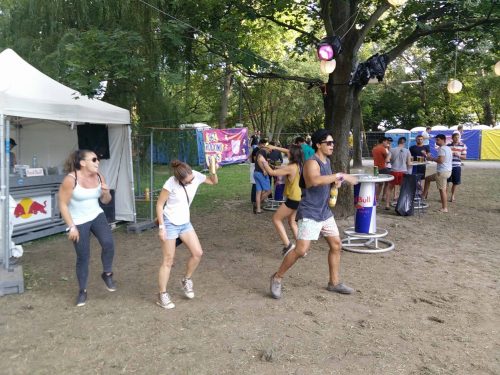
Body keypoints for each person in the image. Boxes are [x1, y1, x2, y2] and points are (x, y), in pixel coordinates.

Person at [269, 129, 359, 299]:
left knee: (336, 245)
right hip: (310, 211)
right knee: (301, 250)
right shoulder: (312, 162)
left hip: (324, 212)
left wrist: (334, 186)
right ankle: (277, 277)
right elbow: (314, 180)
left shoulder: (327, 162)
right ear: (318, 144)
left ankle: (334, 283)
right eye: (329, 143)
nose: (332, 146)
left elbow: (324, 183)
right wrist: (340, 175)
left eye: (333, 143)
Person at [156, 160, 218, 309]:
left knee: (198, 253)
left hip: (185, 223)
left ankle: (186, 280)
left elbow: (212, 181)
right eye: (187, 182)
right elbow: (159, 204)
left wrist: (213, 170)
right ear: (179, 180)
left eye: (191, 180)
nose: (191, 182)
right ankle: (162, 294)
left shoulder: (195, 175)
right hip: (170, 223)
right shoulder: (170, 183)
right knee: (168, 260)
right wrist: (161, 227)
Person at [59, 150, 115, 307]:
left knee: (108, 244)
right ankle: (82, 291)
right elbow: (63, 204)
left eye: (98, 159)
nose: (98, 162)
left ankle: (107, 274)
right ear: (82, 163)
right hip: (78, 220)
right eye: (94, 159)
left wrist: (106, 192)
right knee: (83, 256)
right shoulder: (71, 180)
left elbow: (105, 201)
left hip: (96, 214)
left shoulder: (99, 176)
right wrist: (71, 227)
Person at [258, 144, 304, 256]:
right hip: (300, 198)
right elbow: (287, 151)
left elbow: (272, 173)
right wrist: (275, 147)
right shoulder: (299, 164)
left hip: (293, 199)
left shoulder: (291, 167)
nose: (286, 153)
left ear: (292, 155)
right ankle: (302, 249)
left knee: (276, 219)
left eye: (288, 153)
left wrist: (263, 161)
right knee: (292, 222)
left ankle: (288, 245)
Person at [422, 134, 453, 213]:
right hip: (447, 171)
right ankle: (423, 196)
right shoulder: (448, 148)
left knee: (442, 190)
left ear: (443, 140)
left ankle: (444, 208)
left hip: (442, 172)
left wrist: (431, 159)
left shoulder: (442, 149)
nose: (436, 141)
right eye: (436, 140)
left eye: (438, 140)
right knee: (427, 179)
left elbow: (441, 160)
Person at [385, 137, 412, 210]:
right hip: (403, 171)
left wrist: (390, 163)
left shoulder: (392, 150)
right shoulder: (407, 151)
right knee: (402, 189)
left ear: (398, 142)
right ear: (404, 143)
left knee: (389, 188)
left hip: (394, 171)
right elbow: (409, 163)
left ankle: (387, 204)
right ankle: (401, 205)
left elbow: (387, 160)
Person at [447, 132, 467, 202]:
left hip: (456, 166)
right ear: (452, 138)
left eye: (458, 137)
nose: (457, 139)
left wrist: (458, 155)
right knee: (447, 182)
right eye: (455, 137)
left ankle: (452, 196)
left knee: (455, 182)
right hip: (448, 166)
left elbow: (464, 157)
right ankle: (445, 196)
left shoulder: (463, 145)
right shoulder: (448, 146)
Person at [253, 139, 272, 214]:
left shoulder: (259, 151)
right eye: (270, 149)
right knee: (268, 191)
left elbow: (261, 161)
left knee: (259, 192)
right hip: (261, 173)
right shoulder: (263, 151)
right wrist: (264, 170)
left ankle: (258, 209)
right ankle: (257, 203)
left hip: (256, 173)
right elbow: (259, 160)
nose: (270, 151)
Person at [372, 136, 391, 203]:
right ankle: (383, 196)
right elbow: (388, 158)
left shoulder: (374, 148)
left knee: (377, 183)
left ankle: (375, 198)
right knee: (387, 182)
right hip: (382, 168)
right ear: (383, 141)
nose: (387, 143)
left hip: (375, 168)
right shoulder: (382, 149)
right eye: (386, 142)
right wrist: (389, 151)